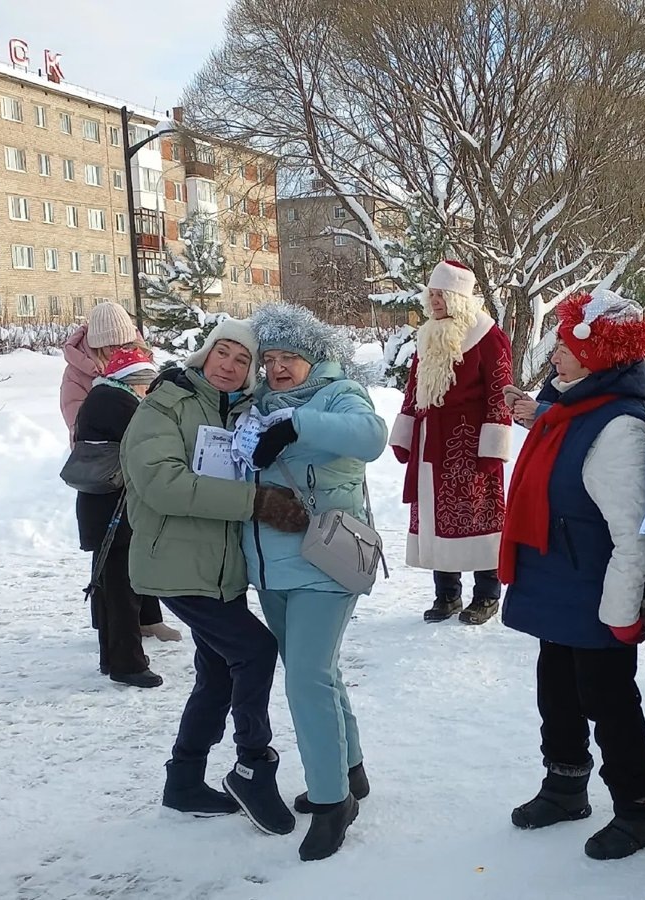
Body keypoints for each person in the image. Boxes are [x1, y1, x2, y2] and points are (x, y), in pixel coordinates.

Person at [499, 291, 645, 861]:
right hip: (558, 578)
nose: (555, 355)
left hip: (595, 589)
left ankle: (638, 808)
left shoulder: (620, 426)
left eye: (567, 344)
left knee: (608, 699)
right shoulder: (574, 406)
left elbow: (633, 532)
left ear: (603, 353)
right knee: (558, 690)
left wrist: (620, 610)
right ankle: (565, 786)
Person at [120, 319, 291, 835]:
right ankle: (252, 765)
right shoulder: (164, 404)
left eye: (243, 360)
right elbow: (162, 483)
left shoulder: (241, 412)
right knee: (255, 650)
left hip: (220, 569)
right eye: (223, 352)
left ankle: (184, 780)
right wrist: (255, 502)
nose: (230, 365)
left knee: (217, 672)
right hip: (175, 563)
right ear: (205, 354)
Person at [240, 303, 388, 862]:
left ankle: (333, 803)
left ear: (314, 358)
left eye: (290, 358)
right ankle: (351, 769)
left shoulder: (338, 394)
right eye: (270, 358)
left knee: (305, 679)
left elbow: (371, 436)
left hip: (326, 563)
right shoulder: (254, 405)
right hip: (270, 566)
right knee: (321, 672)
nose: (278, 368)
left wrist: (297, 424)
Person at [389, 260, 513, 625]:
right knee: (434, 518)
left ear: (458, 296)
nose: (434, 299)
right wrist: (406, 431)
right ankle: (447, 594)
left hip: (469, 444)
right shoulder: (428, 333)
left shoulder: (488, 335)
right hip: (431, 444)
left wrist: (493, 444)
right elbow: (415, 388)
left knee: (477, 518)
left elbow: (500, 390)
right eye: (431, 293)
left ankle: (487, 595)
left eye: (441, 293)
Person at [60, 300, 180, 643]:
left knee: (138, 546)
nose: (118, 351)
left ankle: (147, 617)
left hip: (136, 471)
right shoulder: (78, 375)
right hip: (105, 472)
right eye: (111, 346)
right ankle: (111, 627)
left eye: (125, 344)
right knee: (111, 554)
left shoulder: (137, 362)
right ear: (96, 345)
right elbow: (79, 423)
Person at [73, 346, 163, 688]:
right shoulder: (118, 402)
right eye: (147, 384)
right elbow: (147, 440)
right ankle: (128, 663)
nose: (148, 391)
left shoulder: (103, 396)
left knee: (111, 586)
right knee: (122, 588)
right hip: (115, 509)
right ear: (134, 380)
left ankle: (113, 659)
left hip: (103, 505)